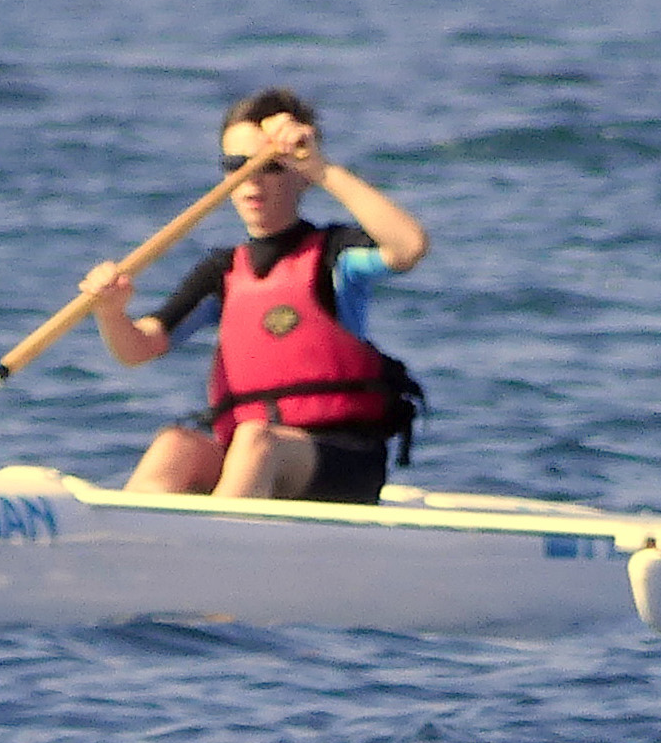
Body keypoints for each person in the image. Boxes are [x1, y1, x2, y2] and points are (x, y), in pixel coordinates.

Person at [79, 88, 430, 502]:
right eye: (236, 166)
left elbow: (408, 246)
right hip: (255, 454)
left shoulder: (335, 256)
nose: (250, 182)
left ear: (299, 174)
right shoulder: (223, 272)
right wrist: (111, 311)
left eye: (270, 167)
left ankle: (220, 549)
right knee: (174, 446)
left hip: (343, 458)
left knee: (255, 441)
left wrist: (320, 167)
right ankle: (134, 552)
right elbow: (137, 348)